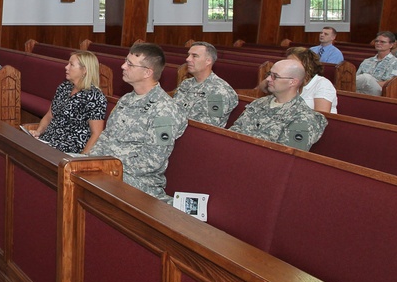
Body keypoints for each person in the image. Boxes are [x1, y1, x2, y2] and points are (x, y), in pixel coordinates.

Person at [87, 43, 187, 201]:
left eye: (130, 64)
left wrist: (106, 167)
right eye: (125, 61)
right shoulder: (126, 100)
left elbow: (152, 161)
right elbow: (106, 137)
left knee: (82, 180)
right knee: (67, 167)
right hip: (109, 170)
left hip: (140, 183)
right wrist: (90, 162)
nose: (123, 66)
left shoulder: (164, 109)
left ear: (147, 72)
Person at [230, 59, 327, 150]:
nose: (268, 79)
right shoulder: (259, 103)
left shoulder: (304, 117)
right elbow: (233, 131)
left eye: (275, 76)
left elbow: (284, 157)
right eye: (269, 74)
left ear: (292, 82)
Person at [25, 50, 107, 154]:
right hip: (48, 141)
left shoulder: (94, 96)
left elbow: (96, 133)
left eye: (71, 65)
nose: (66, 67)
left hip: (69, 148)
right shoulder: (64, 87)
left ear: (84, 70)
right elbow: (50, 115)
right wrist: (38, 132)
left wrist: (81, 159)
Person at [171, 42, 239, 127]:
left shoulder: (219, 91)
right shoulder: (186, 83)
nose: (188, 59)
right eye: (188, 55)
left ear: (208, 61)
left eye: (194, 56)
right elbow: (172, 110)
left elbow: (208, 126)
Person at [286, 46, 337, 113]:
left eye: (292, 64)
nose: (287, 67)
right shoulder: (290, 82)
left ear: (307, 65)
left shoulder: (323, 84)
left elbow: (321, 117)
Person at [355, 32, 397, 96]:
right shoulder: (367, 61)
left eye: (382, 42)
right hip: (361, 90)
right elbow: (357, 78)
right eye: (377, 41)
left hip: (381, 92)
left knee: (367, 78)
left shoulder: (396, 63)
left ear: (391, 45)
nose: (378, 43)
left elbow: (391, 84)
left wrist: (370, 83)